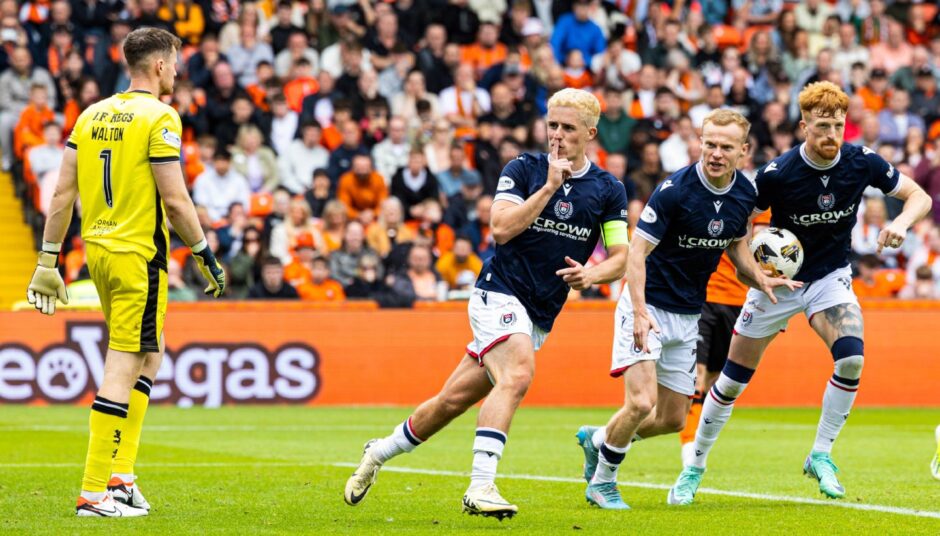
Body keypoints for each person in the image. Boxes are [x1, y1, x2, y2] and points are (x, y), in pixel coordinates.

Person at [343, 88, 630, 519]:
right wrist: (550, 188)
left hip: (539, 312)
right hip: (497, 290)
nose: (557, 135)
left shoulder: (608, 190)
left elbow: (621, 255)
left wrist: (591, 274)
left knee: (450, 401)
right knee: (516, 374)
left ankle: (377, 453)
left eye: (568, 128)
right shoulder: (525, 169)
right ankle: (481, 486)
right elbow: (500, 228)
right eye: (551, 125)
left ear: (590, 133)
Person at [669, 81, 933, 505]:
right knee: (733, 381)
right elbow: (739, 227)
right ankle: (694, 466)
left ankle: (821, 454)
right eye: (823, 126)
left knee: (851, 357)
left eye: (839, 126)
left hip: (829, 277)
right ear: (804, 125)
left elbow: (918, 196)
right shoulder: (779, 174)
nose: (832, 135)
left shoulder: (861, 161)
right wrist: (755, 273)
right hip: (779, 283)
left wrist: (900, 224)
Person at [25, 28, 226, 517]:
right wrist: (205, 255)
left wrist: (47, 262)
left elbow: (60, 195)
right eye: (175, 63)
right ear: (158, 65)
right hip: (139, 254)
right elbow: (176, 200)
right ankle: (94, 493)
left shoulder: (91, 115)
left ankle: (121, 477)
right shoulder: (161, 116)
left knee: (147, 358)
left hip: (98, 253)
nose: (177, 71)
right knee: (123, 362)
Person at [575, 109, 798, 509]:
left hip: (688, 313)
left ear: (743, 152)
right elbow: (637, 254)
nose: (714, 153)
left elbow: (736, 248)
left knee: (672, 419)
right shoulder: (675, 190)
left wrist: (760, 279)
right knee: (641, 403)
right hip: (647, 305)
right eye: (708, 143)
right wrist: (640, 312)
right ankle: (602, 482)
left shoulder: (745, 196)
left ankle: (598, 439)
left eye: (725, 147)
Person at [677, 210, 771, 466]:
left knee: (716, 382)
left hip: (738, 301)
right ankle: (689, 448)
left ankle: (697, 443)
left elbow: (762, 243)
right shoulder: (708, 200)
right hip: (703, 298)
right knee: (695, 378)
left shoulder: (758, 201)